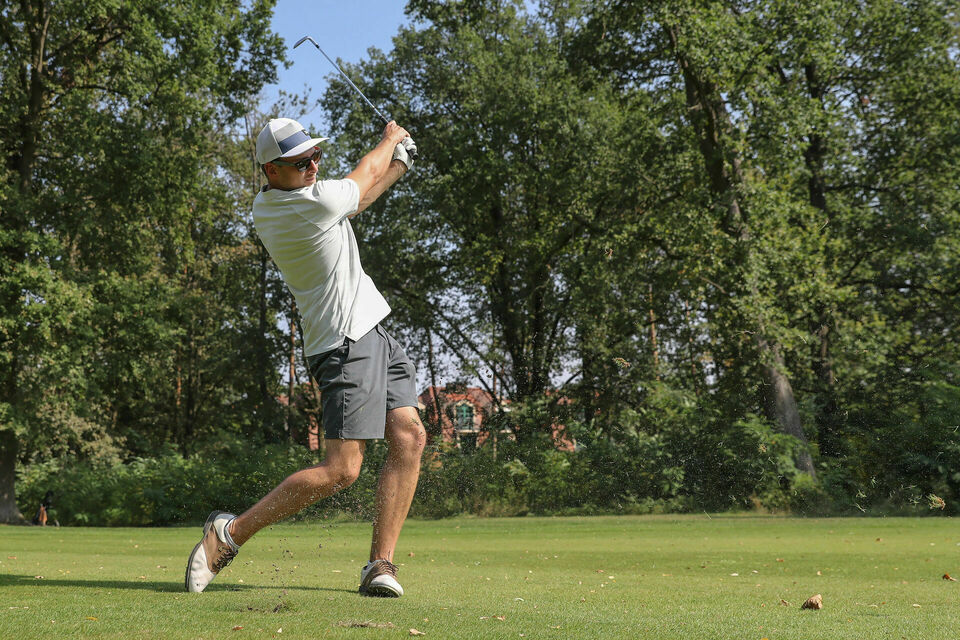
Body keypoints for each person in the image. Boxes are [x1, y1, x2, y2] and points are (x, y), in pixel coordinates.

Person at [184, 118, 426, 597]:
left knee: (409, 435)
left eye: (316, 155)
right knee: (342, 470)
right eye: (301, 162)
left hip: (372, 329)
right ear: (272, 171)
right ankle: (229, 535)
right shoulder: (293, 207)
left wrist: (397, 166)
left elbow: (359, 197)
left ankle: (380, 565)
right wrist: (390, 141)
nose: (314, 165)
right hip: (344, 344)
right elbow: (360, 179)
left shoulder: (307, 201)